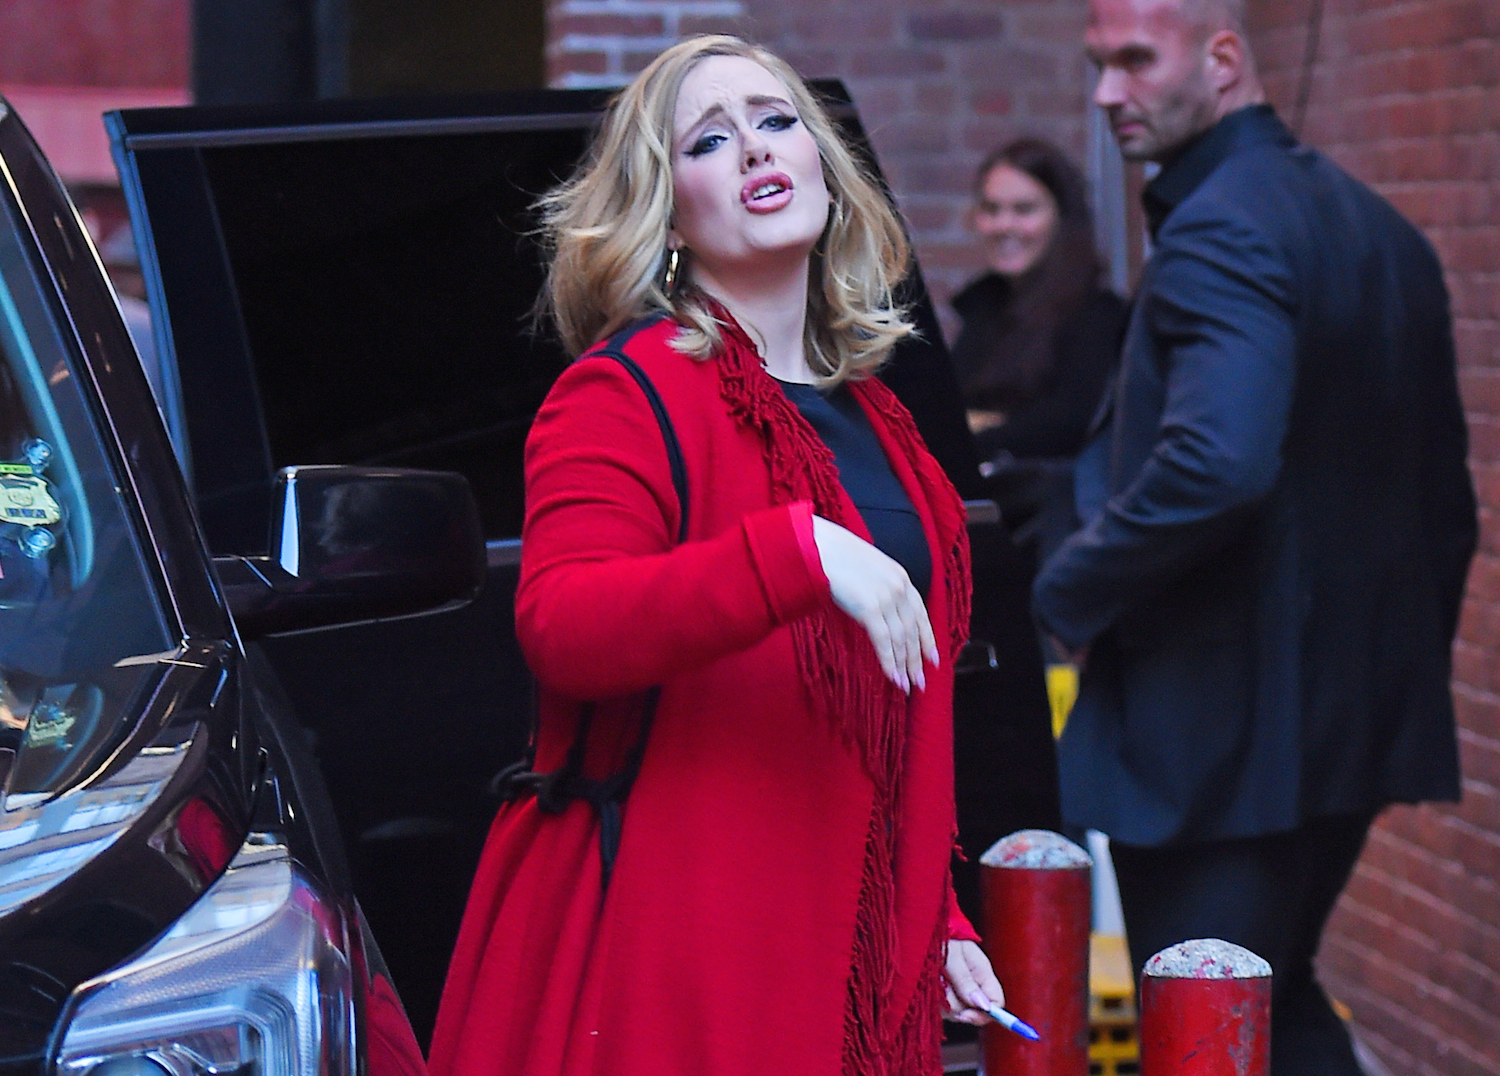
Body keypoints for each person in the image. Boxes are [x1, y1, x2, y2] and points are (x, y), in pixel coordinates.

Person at [427, 34, 1007, 1076]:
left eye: (778, 120)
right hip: (682, 938)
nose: (754, 147)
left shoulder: (881, 417)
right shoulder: (626, 388)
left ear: (824, 159)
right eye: (710, 137)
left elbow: (886, 716)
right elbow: (564, 624)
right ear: (668, 208)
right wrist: (791, 553)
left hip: (852, 952)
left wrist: (942, 916)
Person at [1031, 0, 1478, 1073]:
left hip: (1214, 746)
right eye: (1097, 65)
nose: (1106, 95)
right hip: (1345, 727)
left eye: (1136, 61)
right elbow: (1445, 508)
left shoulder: (1222, 226)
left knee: (1205, 1026)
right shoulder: (1384, 232)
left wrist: (1063, 594)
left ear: (1225, 59)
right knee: (1271, 1003)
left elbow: (1215, 463)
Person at [949, 138, 1126, 566]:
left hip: (1049, 542)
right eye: (991, 210)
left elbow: (1069, 421)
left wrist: (973, 437)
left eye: (1024, 210)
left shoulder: (1099, 315)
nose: (1003, 225)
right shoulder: (982, 310)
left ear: (1062, 219)